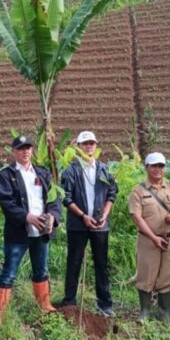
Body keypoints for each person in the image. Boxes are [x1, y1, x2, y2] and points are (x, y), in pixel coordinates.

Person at [0, 135, 61, 326]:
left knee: (41, 270)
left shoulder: (43, 173)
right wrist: (27, 217)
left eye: (28, 148)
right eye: (21, 148)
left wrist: (52, 217)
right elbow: (7, 203)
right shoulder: (7, 175)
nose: (25, 151)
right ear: (14, 152)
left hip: (41, 232)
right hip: (18, 232)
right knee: (9, 271)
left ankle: (44, 305)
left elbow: (54, 199)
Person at [57, 131, 118, 316]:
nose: (89, 146)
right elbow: (66, 198)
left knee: (101, 263)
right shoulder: (71, 171)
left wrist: (104, 215)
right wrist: (83, 216)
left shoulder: (104, 170)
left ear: (96, 145)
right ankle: (70, 301)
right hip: (78, 225)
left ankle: (105, 304)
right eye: (85, 144)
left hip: (100, 225)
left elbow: (112, 194)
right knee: (74, 262)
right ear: (78, 147)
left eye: (92, 143)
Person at [128, 152, 170, 322]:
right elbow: (136, 217)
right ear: (146, 167)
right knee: (146, 274)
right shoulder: (138, 191)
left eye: (161, 166)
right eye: (154, 166)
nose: (158, 169)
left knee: (168, 274)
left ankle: (164, 311)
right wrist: (153, 237)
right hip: (148, 240)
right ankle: (144, 311)